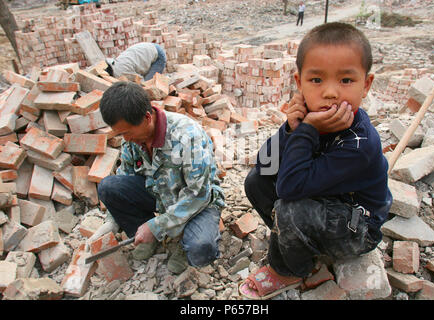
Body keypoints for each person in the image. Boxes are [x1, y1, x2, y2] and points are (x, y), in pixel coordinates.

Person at [239, 22, 392, 299]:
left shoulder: (360, 145)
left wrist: (308, 130)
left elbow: (289, 188)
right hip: (325, 200)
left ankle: (289, 269)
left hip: (358, 227)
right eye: (316, 80)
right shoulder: (312, 119)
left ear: (366, 84)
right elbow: (266, 164)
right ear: (299, 83)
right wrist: (291, 128)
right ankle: (300, 242)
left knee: (290, 208)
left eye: (346, 80)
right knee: (256, 181)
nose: (330, 92)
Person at [92, 81, 225, 274]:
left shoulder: (187, 136)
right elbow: (125, 176)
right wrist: (112, 220)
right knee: (108, 187)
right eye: (121, 134)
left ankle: (181, 239)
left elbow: (199, 194)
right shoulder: (132, 140)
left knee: (200, 250)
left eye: (127, 132)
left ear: (147, 118)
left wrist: (157, 225)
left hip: (198, 202)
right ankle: (144, 234)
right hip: (160, 194)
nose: (125, 139)